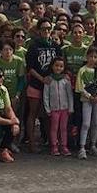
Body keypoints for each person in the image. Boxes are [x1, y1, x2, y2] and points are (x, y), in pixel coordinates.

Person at [24, 19, 61, 153]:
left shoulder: (55, 46)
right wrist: (42, 78)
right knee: (33, 113)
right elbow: (30, 68)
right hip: (36, 84)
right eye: (44, 29)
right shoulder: (34, 46)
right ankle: (32, 142)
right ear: (39, 31)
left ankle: (51, 142)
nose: (46, 31)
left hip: (51, 85)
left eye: (48, 29)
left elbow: (60, 64)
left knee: (47, 114)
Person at [41, 57, 74, 157]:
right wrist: (47, 108)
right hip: (54, 109)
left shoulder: (66, 80)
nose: (58, 68)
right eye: (56, 65)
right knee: (54, 128)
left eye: (61, 66)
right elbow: (45, 95)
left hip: (64, 108)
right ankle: (54, 146)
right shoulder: (49, 80)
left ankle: (64, 146)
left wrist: (71, 107)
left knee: (63, 128)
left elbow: (69, 94)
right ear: (52, 66)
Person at [75, 48, 97, 159]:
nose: (92, 59)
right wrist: (89, 96)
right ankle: (82, 147)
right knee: (86, 123)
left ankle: (93, 145)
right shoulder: (82, 70)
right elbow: (80, 86)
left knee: (95, 122)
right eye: (90, 56)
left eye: (95, 57)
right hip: (86, 100)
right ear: (86, 57)